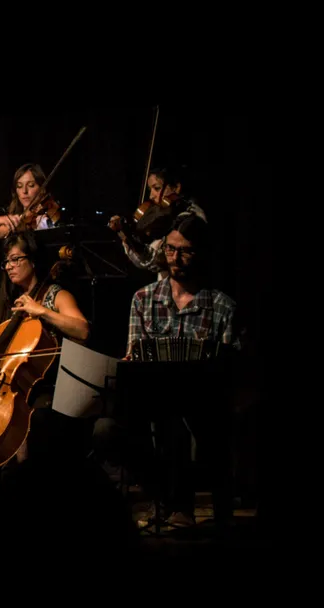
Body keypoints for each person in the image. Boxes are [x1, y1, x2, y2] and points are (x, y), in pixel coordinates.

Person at [93, 216, 239, 528]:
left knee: (181, 421)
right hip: (150, 406)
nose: (175, 258)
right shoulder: (143, 300)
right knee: (105, 430)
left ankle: (178, 507)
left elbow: (230, 370)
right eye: (170, 250)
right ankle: (166, 500)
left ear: (201, 254)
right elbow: (133, 358)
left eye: (185, 252)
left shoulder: (222, 306)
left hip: (204, 407)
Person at [0, 231, 91, 462]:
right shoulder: (5, 302)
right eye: (6, 262)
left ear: (33, 260)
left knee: (33, 424)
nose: (9, 267)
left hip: (45, 386)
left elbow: (82, 329)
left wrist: (42, 311)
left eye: (15, 259)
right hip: (6, 385)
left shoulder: (56, 295)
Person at [109, 166, 207, 277]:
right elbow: (143, 263)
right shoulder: (165, 218)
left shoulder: (190, 217)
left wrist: (130, 238)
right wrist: (127, 237)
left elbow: (156, 261)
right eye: (150, 190)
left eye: (157, 188)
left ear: (176, 188)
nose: (151, 196)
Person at [0, 163, 58, 240]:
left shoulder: (48, 217)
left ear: (42, 189)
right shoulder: (16, 220)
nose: (24, 191)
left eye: (31, 185)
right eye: (19, 186)